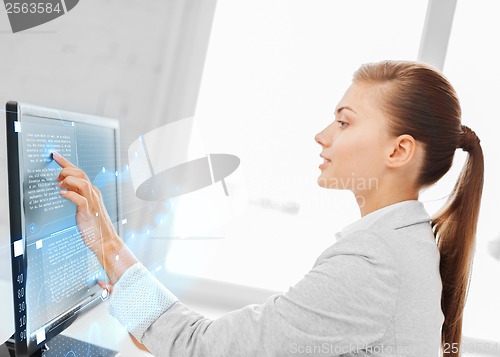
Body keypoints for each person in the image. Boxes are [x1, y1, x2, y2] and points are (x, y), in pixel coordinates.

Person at [53, 60, 484, 357]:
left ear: (399, 150)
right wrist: (153, 324)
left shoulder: (374, 262)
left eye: (344, 121)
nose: (322, 135)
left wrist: (105, 241)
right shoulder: (401, 246)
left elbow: (201, 347)